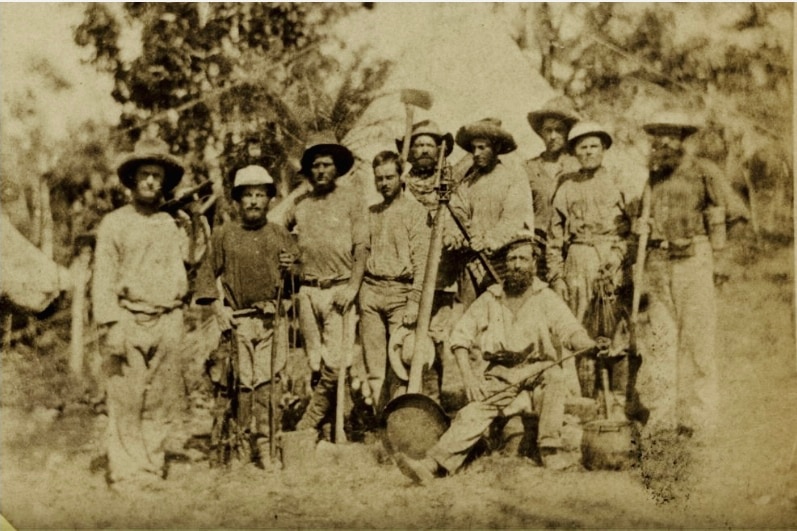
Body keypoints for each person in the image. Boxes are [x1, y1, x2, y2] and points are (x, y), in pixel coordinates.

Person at [393, 232, 602, 483]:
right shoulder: (491, 297)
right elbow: (461, 336)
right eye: (512, 259)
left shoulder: (546, 297)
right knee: (473, 411)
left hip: (539, 368)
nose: (516, 265)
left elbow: (570, 331)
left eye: (523, 259)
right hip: (502, 372)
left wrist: (588, 344)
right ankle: (432, 464)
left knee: (556, 378)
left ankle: (550, 450)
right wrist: (469, 377)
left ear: (534, 264)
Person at [92, 137, 198, 491]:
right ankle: (126, 473)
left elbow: (191, 263)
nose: (151, 181)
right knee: (126, 399)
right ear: (133, 180)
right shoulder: (114, 224)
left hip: (168, 317)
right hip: (128, 317)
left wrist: (194, 223)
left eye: (157, 176)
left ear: (164, 182)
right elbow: (104, 277)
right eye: (145, 175)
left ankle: (151, 468)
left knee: (160, 400)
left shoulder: (172, 224)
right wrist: (111, 325)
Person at [634, 111, 730, 441]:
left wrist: (718, 257)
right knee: (660, 342)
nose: (662, 141)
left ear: (682, 139)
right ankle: (662, 417)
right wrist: (640, 227)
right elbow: (639, 222)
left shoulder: (704, 171)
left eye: (669, 135)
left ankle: (700, 419)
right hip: (658, 263)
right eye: (657, 135)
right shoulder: (652, 178)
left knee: (698, 342)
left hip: (694, 260)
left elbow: (730, 214)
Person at [195, 165, 298, 463]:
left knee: (268, 385)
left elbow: (298, 274)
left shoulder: (279, 234)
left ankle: (266, 448)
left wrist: (293, 267)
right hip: (238, 322)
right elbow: (205, 276)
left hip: (271, 322)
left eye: (259, 195)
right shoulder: (224, 235)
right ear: (237, 201)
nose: (253, 201)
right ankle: (239, 447)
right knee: (241, 385)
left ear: (269, 199)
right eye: (247, 196)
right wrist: (219, 310)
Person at [283, 132, 368, 435]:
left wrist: (352, 288)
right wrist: (288, 258)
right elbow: (278, 230)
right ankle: (330, 424)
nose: (321, 171)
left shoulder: (351, 200)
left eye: (327, 165)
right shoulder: (301, 203)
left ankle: (312, 422)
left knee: (338, 361)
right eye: (315, 165)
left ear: (337, 168)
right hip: (308, 291)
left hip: (339, 290)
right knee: (316, 361)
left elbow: (361, 248)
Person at [546, 122, 637, 398]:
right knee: (582, 328)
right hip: (577, 261)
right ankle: (586, 400)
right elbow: (554, 236)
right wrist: (556, 276)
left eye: (593, 146)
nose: (588, 152)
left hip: (612, 261)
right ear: (574, 152)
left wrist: (619, 256)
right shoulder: (566, 185)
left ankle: (617, 399)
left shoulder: (620, 181)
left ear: (604, 148)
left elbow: (635, 228)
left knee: (615, 329)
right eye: (582, 147)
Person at [357, 151, 430, 411]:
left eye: (389, 177)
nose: (384, 183)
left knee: (400, 363)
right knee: (374, 366)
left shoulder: (415, 212)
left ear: (402, 178)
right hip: (371, 292)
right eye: (379, 179)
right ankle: (380, 425)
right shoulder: (371, 212)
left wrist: (414, 302)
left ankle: (400, 421)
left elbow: (422, 261)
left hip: (401, 294)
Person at [394, 120, 459, 403]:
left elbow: (461, 217)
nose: (422, 150)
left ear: (439, 149)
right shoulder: (400, 185)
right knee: (404, 341)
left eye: (428, 145)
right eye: (417, 144)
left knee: (436, 340)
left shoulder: (451, 183)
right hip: (406, 276)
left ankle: (434, 402)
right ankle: (405, 400)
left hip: (442, 275)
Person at [446, 118, 535, 306]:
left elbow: (513, 219)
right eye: (474, 149)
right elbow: (457, 212)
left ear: (496, 147)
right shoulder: (468, 183)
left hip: (502, 263)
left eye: (482, 147)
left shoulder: (513, 178)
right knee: (468, 316)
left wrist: (488, 240)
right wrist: (456, 236)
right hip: (471, 263)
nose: (476, 154)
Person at [524, 97, 582, 278]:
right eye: (548, 130)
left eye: (559, 130)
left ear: (568, 133)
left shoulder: (578, 167)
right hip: (537, 249)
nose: (553, 136)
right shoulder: (529, 168)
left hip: (570, 250)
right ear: (541, 132)